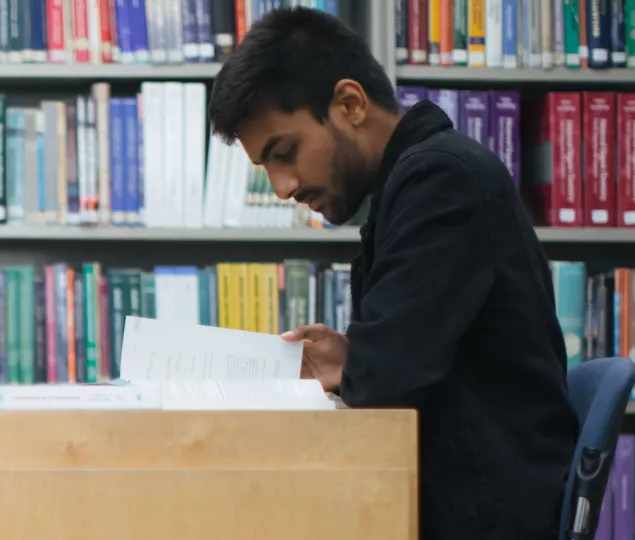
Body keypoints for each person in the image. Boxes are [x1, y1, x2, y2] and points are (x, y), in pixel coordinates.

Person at [207, 7, 580, 540]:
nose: (283, 187)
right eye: (267, 168)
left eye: (285, 152)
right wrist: (354, 356)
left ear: (350, 104)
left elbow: (383, 391)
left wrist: (366, 366)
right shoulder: (413, 183)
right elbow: (422, 354)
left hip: (480, 514)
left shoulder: (440, 180)